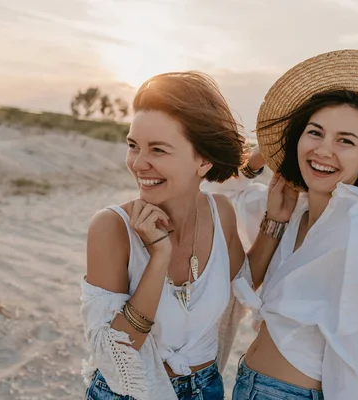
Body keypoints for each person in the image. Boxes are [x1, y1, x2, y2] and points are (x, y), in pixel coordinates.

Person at [204, 49, 358, 399]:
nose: (324, 150)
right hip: (248, 385)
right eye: (315, 133)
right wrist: (257, 159)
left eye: (345, 141)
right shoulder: (293, 210)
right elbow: (211, 195)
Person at [80, 71, 298, 400]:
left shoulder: (220, 211)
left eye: (158, 150)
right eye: (133, 146)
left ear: (203, 160)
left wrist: (275, 220)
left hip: (207, 387)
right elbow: (116, 355)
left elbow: (241, 282)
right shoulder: (111, 227)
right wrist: (159, 257)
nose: (139, 163)